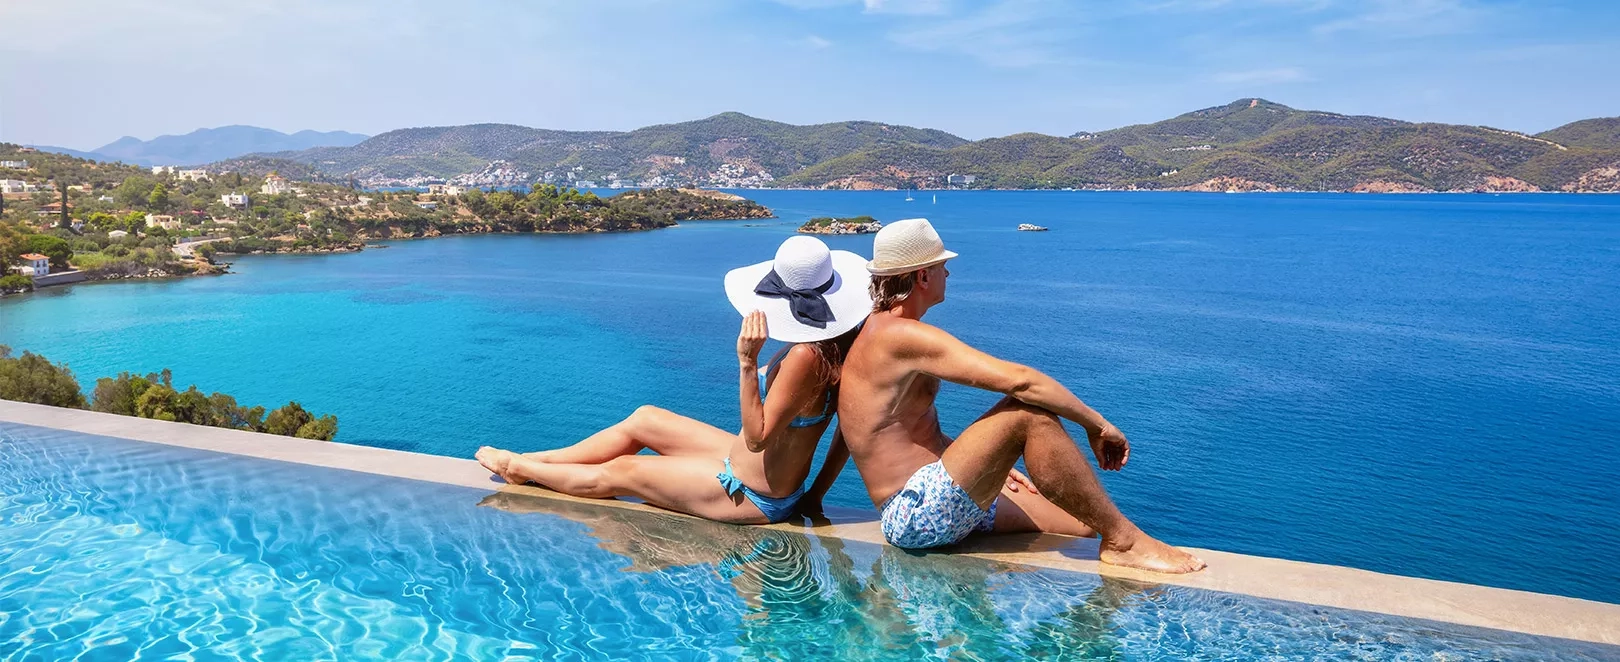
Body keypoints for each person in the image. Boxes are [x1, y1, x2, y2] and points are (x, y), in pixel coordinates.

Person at [831, 218, 1205, 573]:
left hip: (934, 495)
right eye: (943, 267)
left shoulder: (882, 332)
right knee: (1026, 413)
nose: (949, 274)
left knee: (1081, 523)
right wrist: (1097, 425)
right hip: (914, 512)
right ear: (922, 276)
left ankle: (1031, 572)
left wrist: (987, 461)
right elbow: (1022, 382)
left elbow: (907, 432)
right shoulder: (899, 336)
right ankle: (1125, 542)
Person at [476, 236, 868, 524]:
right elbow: (847, 433)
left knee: (624, 470)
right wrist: (816, 495)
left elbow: (757, 438)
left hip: (751, 494)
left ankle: (521, 468)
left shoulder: (805, 356)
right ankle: (539, 459)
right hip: (752, 470)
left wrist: (748, 363)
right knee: (645, 418)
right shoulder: (835, 346)